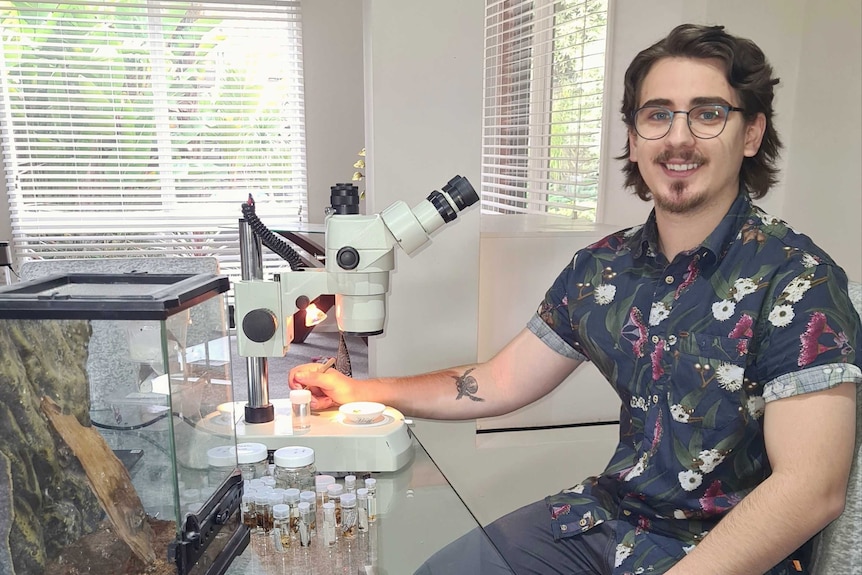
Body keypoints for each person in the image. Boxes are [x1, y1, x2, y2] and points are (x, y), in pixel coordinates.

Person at [289, 23, 862, 574]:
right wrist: (358, 391)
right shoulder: (601, 269)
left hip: (725, 553)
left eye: (708, 114)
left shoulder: (799, 281)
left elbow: (810, 489)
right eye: (657, 115)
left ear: (753, 133)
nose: (679, 137)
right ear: (634, 139)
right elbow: (499, 381)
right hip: (605, 523)